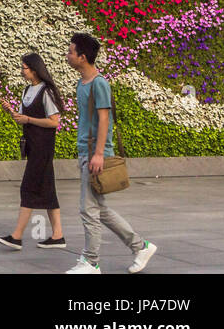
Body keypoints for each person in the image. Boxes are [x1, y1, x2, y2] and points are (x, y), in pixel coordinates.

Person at [64, 32, 156, 274]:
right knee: (98, 209)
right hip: (85, 150)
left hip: (96, 154)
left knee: (88, 210)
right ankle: (141, 246)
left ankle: (92, 262)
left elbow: (105, 119)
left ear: (82, 57)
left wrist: (98, 154)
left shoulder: (99, 83)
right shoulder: (81, 83)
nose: (68, 54)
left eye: (71, 51)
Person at [0, 53, 66, 251]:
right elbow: (22, 117)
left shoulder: (46, 91)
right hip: (32, 146)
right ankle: (58, 236)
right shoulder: (28, 90)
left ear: (34, 70)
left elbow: (54, 122)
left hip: (43, 147)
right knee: (48, 191)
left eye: (24, 67)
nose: (22, 70)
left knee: (28, 188)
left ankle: (16, 236)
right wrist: (11, 111)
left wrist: (28, 120)